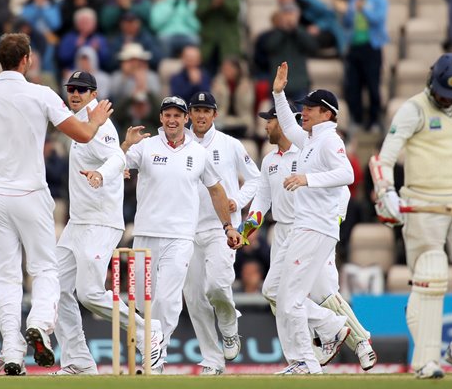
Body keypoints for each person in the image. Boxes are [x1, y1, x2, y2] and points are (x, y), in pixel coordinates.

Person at [0, 33, 113, 376]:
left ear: (0, 60)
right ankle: (39, 324)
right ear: (26, 59)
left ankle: (11, 350)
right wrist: (96, 119)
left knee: (4, 277)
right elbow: (82, 135)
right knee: (44, 270)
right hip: (31, 196)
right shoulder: (41, 94)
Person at [372, 53, 452, 379]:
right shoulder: (413, 109)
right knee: (431, 274)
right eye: (443, 93)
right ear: (432, 83)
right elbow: (384, 158)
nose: (447, 100)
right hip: (422, 201)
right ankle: (426, 361)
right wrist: (385, 191)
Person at [244, 104, 376, 372]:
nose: (266, 126)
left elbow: (343, 191)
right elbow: (261, 200)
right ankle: (331, 331)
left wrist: (333, 221)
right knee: (273, 293)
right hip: (283, 231)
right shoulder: (269, 160)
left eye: (269, 120)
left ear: (282, 121)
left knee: (323, 293)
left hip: (312, 228)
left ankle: (360, 341)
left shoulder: (307, 149)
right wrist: (247, 230)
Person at [120, 95, 244, 373]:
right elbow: (119, 164)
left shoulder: (198, 152)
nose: (173, 120)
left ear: (185, 118)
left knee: (167, 298)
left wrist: (228, 226)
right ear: (161, 118)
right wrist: (126, 145)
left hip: (180, 236)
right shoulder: (146, 146)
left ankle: (156, 358)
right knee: (141, 301)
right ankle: (151, 348)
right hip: (146, 234)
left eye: (178, 115)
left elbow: (216, 190)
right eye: (168, 115)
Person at [51, 71, 163, 375]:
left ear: (93, 93)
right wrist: (119, 155)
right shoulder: (83, 122)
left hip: (101, 222)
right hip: (78, 223)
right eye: (71, 89)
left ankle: (146, 332)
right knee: (55, 290)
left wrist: (104, 173)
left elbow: (114, 158)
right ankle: (79, 362)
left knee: (88, 293)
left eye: (81, 90)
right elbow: (116, 155)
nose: (74, 94)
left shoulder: (99, 122)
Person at [268, 61, 355, 374]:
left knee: (290, 297)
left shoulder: (330, 139)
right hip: (305, 225)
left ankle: (307, 361)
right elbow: (290, 128)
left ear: (327, 113)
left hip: (316, 226)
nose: (303, 111)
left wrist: (307, 179)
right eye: (304, 106)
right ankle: (328, 330)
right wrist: (278, 93)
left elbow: (347, 173)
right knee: (280, 293)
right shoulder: (312, 139)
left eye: (311, 108)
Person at [182, 91, 260, 375]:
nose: (201, 115)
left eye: (206, 110)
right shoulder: (179, 143)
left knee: (216, 286)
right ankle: (212, 360)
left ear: (215, 114)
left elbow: (256, 179)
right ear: (189, 114)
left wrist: (237, 202)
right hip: (188, 230)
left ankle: (229, 329)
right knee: (193, 296)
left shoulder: (230, 144)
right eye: (196, 110)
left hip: (221, 228)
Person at [342, 0, 389, 132]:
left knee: (373, 85)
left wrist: (363, 9)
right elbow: (347, 22)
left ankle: (374, 120)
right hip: (354, 47)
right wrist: (348, 12)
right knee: (353, 86)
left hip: (372, 48)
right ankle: (357, 120)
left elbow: (378, 19)